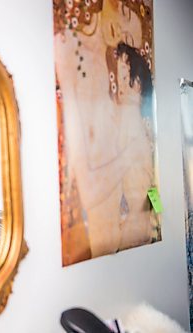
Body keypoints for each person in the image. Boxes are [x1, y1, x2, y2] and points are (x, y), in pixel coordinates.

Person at [54, 0, 158, 264]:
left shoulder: (132, 128)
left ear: (137, 85)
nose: (122, 36)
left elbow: (146, 191)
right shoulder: (118, 119)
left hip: (133, 235)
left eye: (130, 39)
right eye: (123, 13)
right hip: (120, 235)